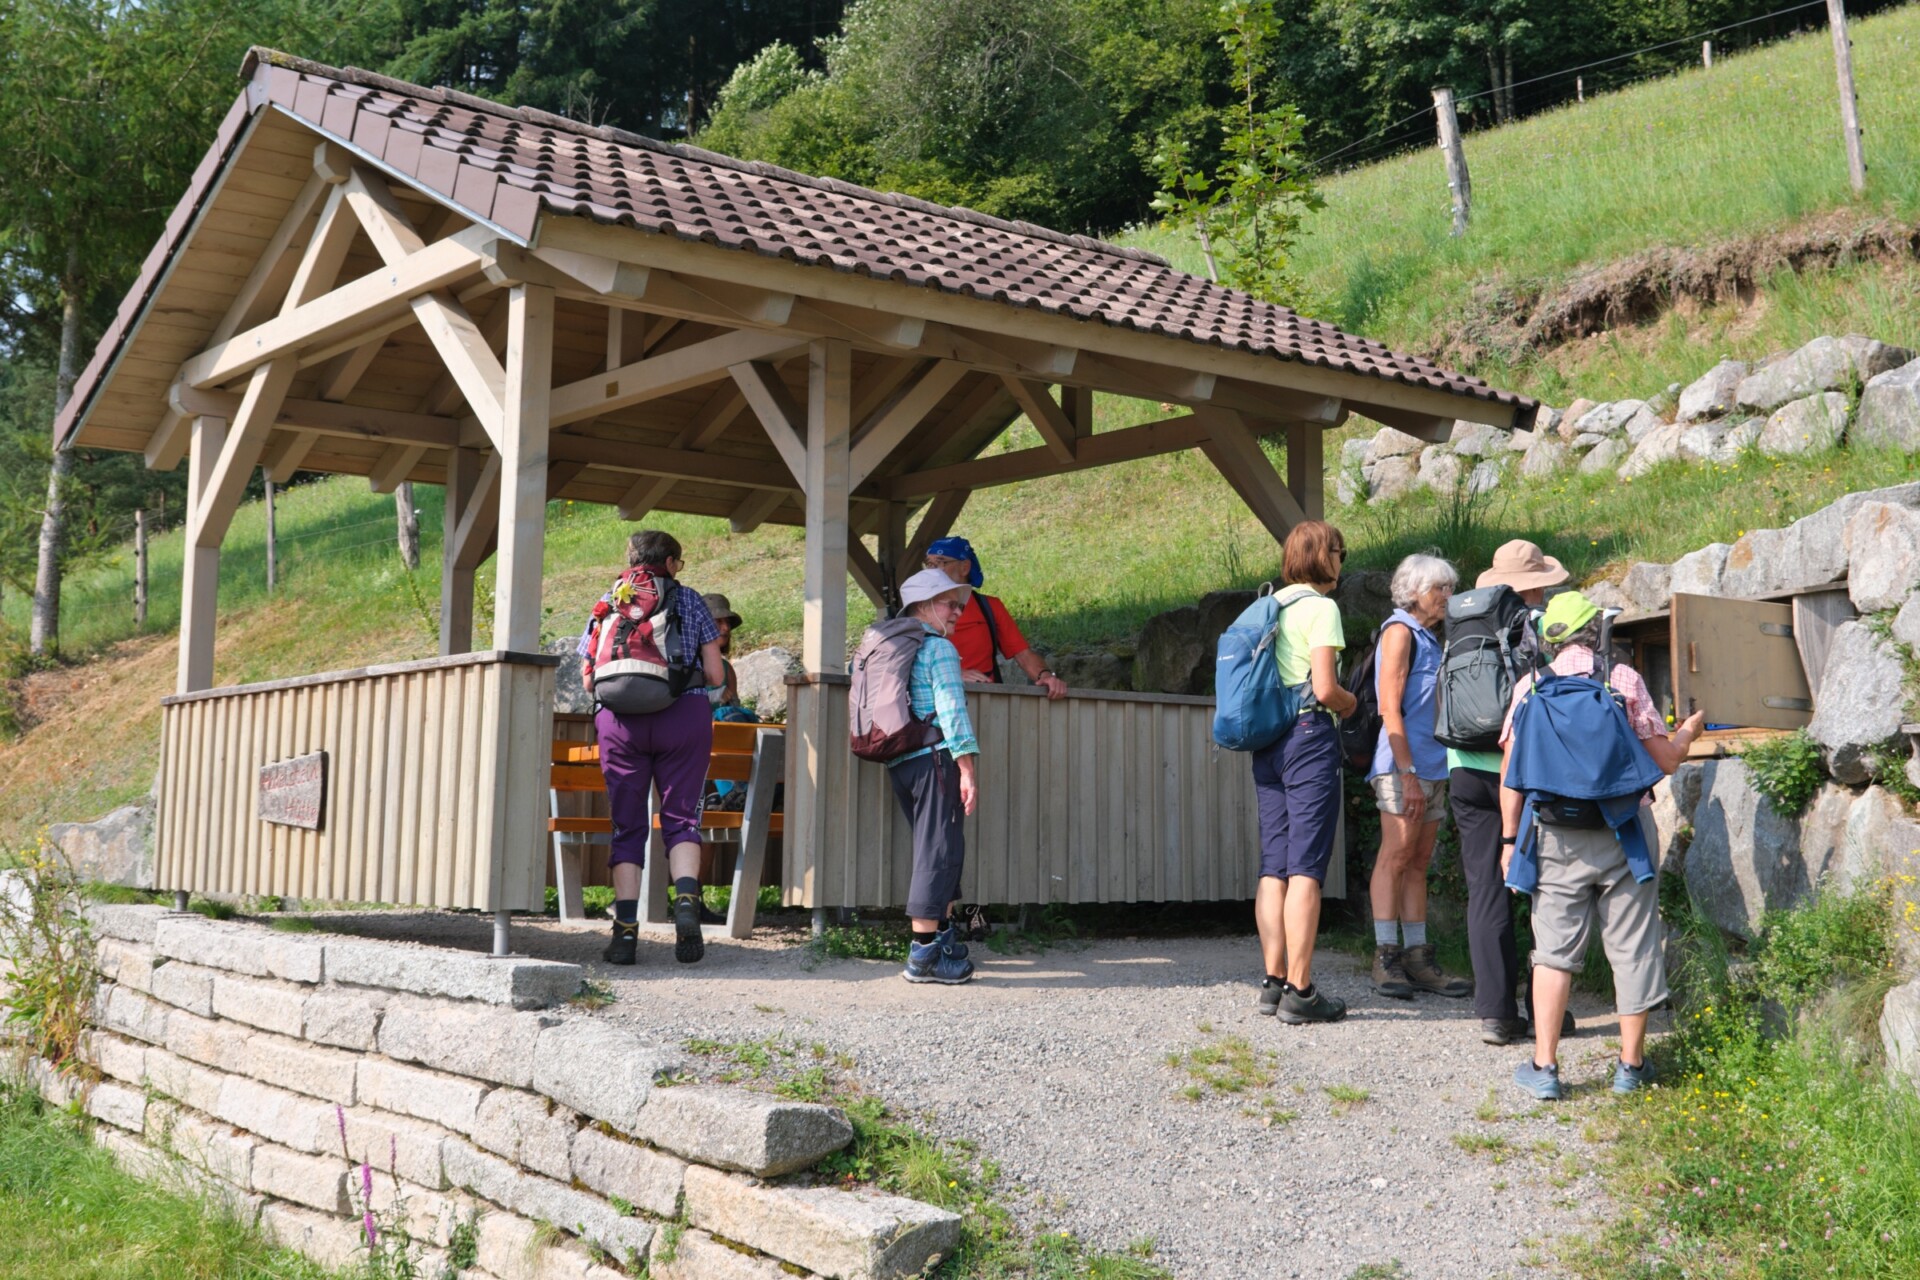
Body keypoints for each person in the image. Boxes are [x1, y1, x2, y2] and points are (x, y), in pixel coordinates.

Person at [1500, 591, 1705, 1100]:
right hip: (1624, 831)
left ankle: (1545, 1068)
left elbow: (1511, 774)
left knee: (1553, 952)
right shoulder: (1624, 680)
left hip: (1555, 834)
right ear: (1596, 633)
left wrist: (1508, 840)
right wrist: (1688, 733)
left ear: (1551, 638)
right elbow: (1666, 760)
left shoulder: (1529, 686)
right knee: (1632, 946)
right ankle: (1630, 1068)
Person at [580, 530, 726, 968]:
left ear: (632, 560)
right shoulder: (691, 601)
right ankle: (686, 904)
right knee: (681, 819)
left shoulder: (608, 600)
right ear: (672, 563)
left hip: (619, 723)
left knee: (628, 827)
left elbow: (588, 679)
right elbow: (716, 675)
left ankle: (625, 934)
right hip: (683, 716)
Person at [1448, 540, 1570, 1044]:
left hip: (1463, 768)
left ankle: (1495, 1014)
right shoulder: (1537, 624)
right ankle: (1547, 1011)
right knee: (1546, 886)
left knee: (1485, 888)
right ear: (1536, 586)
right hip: (1520, 770)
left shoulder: (1463, 623)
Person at [1252, 520, 1359, 1024]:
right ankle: (1301, 991)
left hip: (1267, 740)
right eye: (1339, 551)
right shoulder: (1321, 608)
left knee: (1273, 866)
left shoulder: (1269, 605)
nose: (1341, 560)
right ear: (1323, 556)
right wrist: (1352, 704)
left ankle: (1272, 983)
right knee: (1306, 867)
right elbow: (1324, 688)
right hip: (1309, 738)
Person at [1367, 553, 1472, 1001]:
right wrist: (1407, 774)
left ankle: (1417, 959)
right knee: (1395, 856)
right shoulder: (1400, 633)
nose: (1447, 596)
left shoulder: (1430, 637)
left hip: (1432, 766)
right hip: (1402, 766)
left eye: (1450, 588)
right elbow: (1389, 708)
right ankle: (1385, 956)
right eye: (1438, 589)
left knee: (1417, 862)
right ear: (1413, 593)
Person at [886, 568, 983, 984]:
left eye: (959, 605)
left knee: (942, 848)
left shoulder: (892, 647)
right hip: (935, 759)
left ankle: (942, 939)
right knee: (938, 852)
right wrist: (967, 766)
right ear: (924, 606)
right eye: (950, 604)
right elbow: (951, 709)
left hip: (901, 761)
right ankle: (922, 956)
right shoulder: (938, 648)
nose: (958, 611)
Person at [921, 537, 1067, 699]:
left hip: (985, 700)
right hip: (933, 698)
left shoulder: (990, 607)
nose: (932, 571)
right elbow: (907, 660)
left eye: (941, 562)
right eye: (929, 564)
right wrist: (952, 674)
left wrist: (1046, 676)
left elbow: (1023, 654)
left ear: (965, 567)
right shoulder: (917, 607)